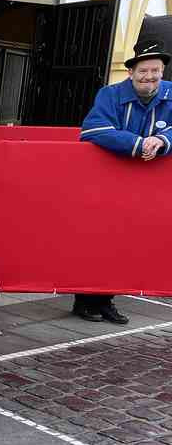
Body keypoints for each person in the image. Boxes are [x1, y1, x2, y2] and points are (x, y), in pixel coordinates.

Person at [76, 38, 172, 324]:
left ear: (163, 71)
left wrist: (163, 140)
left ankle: (107, 301)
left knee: (125, 244)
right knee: (96, 242)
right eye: (143, 71)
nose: (150, 77)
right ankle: (84, 301)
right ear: (131, 72)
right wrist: (139, 143)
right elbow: (93, 130)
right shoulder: (109, 94)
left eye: (155, 70)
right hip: (107, 181)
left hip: (146, 189)